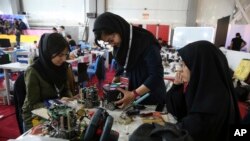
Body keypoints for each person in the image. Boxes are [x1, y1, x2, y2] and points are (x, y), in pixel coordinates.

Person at [166, 41, 240, 141]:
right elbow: (178, 111)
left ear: (198, 66)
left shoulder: (215, 100)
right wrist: (176, 86)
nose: (179, 70)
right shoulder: (200, 89)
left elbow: (191, 131)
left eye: (184, 65)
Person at [93, 12, 166, 110]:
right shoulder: (119, 44)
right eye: (108, 42)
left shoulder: (145, 40)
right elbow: (121, 67)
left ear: (118, 28)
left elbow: (156, 75)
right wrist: (116, 80)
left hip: (150, 97)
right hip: (130, 97)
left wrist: (134, 94)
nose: (112, 44)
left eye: (111, 39)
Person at [22, 33, 75, 130]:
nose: (63, 59)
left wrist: (72, 102)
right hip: (35, 118)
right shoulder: (34, 71)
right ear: (47, 52)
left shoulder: (62, 67)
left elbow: (65, 89)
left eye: (65, 54)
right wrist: (56, 102)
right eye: (60, 55)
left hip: (56, 115)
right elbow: (32, 105)